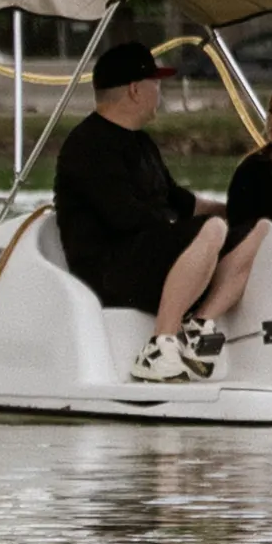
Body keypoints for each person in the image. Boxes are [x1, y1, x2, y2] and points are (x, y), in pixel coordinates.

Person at [146, 78, 272, 372]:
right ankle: (199, 324)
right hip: (255, 271)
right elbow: (238, 236)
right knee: (263, 229)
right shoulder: (253, 171)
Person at [53, 46, 203, 333]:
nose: (160, 92)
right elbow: (125, 216)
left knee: (250, 233)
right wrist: (189, 228)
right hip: (109, 273)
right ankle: (163, 342)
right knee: (211, 231)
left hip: (146, 258)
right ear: (135, 90)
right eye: (156, 84)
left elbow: (179, 200)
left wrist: (234, 211)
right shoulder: (89, 145)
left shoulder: (142, 143)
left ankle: (201, 326)